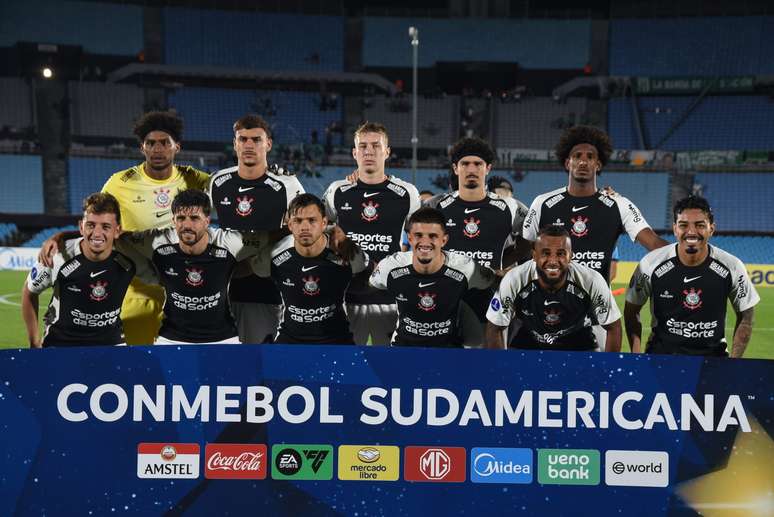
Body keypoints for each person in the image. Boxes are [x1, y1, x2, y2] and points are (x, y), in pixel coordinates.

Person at [93, 111, 210, 345]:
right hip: (136, 290)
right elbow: (94, 225)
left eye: (164, 143)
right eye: (151, 143)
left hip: (186, 290)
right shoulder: (118, 183)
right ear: (142, 148)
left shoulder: (197, 180)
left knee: (184, 364)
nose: (158, 149)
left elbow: (235, 191)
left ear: (177, 146)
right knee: (139, 364)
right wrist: (62, 236)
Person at [119, 189, 267, 345]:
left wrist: (257, 265)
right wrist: (148, 274)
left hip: (223, 338)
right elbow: (121, 239)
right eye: (181, 218)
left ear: (207, 221)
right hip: (171, 338)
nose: (187, 225)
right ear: (173, 220)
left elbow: (271, 237)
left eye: (195, 218)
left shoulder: (229, 243)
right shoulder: (157, 241)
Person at [522, 125, 667, 283]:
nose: (583, 162)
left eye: (590, 157)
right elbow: (523, 251)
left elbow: (653, 242)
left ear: (598, 165)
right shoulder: (543, 203)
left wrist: (690, 258)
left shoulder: (619, 205)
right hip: (551, 303)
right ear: (567, 163)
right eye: (577, 156)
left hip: (597, 304)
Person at [208, 114, 304, 344]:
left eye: (256, 140)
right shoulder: (217, 182)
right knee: (222, 367)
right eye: (243, 139)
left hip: (265, 293)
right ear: (235, 144)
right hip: (220, 294)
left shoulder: (287, 185)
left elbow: (304, 227)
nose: (249, 145)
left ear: (268, 144)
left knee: (261, 366)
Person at [323, 122, 421, 345]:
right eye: (363, 146)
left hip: (389, 299)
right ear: (354, 152)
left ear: (387, 152)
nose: (369, 151)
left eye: (376, 146)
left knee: (389, 371)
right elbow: (321, 230)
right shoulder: (337, 190)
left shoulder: (407, 193)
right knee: (343, 369)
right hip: (344, 299)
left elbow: (421, 241)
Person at [624, 196, 758, 357]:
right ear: (675, 229)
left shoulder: (732, 266)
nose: (691, 232)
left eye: (700, 225)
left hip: (713, 361)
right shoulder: (650, 264)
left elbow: (746, 316)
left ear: (711, 229)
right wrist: (636, 356)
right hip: (661, 359)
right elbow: (631, 311)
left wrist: (734, 362)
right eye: (683, 225)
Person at [424, 138, 530, 342]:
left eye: (478, 164)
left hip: (491, 303)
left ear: (488, 168)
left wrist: (504, 263)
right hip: (444, 302)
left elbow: (532, 238)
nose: (471, 169)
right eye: (465, 164)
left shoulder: (511, 207)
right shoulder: (435, 206)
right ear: (456, 168)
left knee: (489, 367)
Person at [21, 193, 154, 347]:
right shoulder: (57, 256)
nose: (97, 233)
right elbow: (29, 291)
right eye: (91, 225)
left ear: (117, 230)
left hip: (111, 344)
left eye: (105, 226)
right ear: (81, 227)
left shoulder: (130, 256)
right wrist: (34, 341)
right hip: (61, 344)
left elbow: (163, 278)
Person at [369, 207, 496, 347]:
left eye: (433, 236)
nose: (425, 242)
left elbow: (492, 281)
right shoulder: (390, 266)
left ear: (444, 240)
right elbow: (370, 285)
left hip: (448, 351)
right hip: (403, 348)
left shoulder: (466, 267)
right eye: (418, 235)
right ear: (409, 238)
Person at [252, 194, 368, 344]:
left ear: (324, 223)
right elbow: (257, 272)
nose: (305, 227)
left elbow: (368, 278)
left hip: (337, 340)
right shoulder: (273, 254)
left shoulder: (347, 251)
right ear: (290, 225)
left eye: (312, 220)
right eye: (298, 221)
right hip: (291, 339)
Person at [485, 225, 622, 352]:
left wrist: (609, 365)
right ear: (534, 255)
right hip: (529, 341)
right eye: (545, 253)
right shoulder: (514, 279)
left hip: (579, 342)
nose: (552, 260)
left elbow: (613, 327)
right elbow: (494, 326)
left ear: (570, 256)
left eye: (561, 253)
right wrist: (500, 368)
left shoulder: (591, 280)